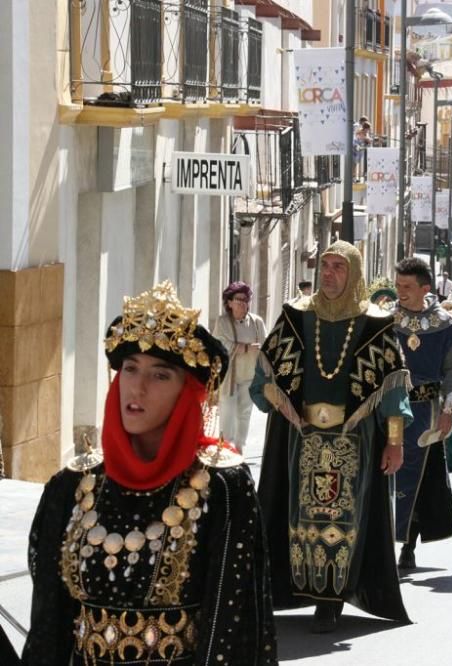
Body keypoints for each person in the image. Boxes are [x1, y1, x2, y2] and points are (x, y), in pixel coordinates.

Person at [22, 281, 276, 665]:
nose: (137, 388)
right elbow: (48, 624)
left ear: (187, 392)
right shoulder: (73, 485)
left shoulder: (221, 487)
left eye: (160, 375)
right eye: (130, 368)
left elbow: (232, 624)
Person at [251, 241, 412, 633]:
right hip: (301, 439)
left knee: (343, 522)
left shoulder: (376, 324)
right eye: (325, 266)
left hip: (353, 440)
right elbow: (266, 376)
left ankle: (331, 599)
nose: (329, 274)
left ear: (353, 273)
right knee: (297, 519)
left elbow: (392, 390)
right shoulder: (295, 316)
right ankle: (298, 590)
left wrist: (394, 441)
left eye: (339, 267)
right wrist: (275, 395)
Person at [392, 258, 452, 569]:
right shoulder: (386, 320)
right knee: (388, 479)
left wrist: (448, 412)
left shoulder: (444, 324)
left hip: (427, 415)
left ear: (425, 288)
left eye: (407, 287)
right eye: (398, 286)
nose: (400, 292)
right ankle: (385, 540)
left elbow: (451, 373)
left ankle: (409, 544)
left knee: (419, 482)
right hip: (391, 414)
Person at [211, 281, 268, 452]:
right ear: (229, 302)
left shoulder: (257, 322)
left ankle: (239, 448)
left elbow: (266, 345)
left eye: (246, 299)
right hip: (229, 377)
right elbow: (218, 345)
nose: (244, 303)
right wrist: (243, 348)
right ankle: (225, 447)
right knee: (227, 411)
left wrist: (261, 351)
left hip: (250, 375)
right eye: (239, 299)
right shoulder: (222, 322)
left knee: (244, 413)